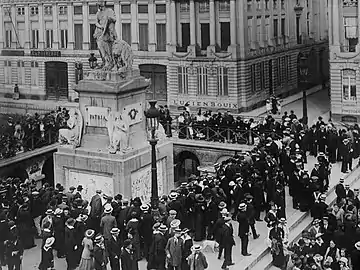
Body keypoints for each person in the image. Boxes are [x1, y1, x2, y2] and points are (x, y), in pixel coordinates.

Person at [94, 0, 117, 69]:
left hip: (108, 32)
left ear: (104, 3)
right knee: (100, 46)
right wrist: (101, 27)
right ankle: (105, 61)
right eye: (99, 5)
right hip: (101, 31)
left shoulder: (109, 11)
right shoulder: (98, 13)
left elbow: (114, 19)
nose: (100, 6)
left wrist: (110, 19)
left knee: (106, 47)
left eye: (101, 4)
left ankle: (109, 62)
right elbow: (96, 22)